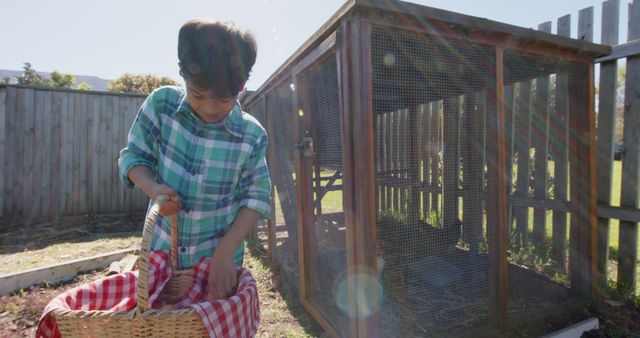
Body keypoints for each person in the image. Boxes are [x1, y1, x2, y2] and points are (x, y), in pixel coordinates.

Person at [118, 19, 271, 302]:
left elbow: (257, 197)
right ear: (184, 75)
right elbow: (133, 157)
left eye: (224, 99)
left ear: (242, 85)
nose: (210, 108)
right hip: (162, 260)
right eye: (199, 95)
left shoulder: (250, 135)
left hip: (218, 267)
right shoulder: (162, 105)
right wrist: (153, 188)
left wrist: (225, 253)